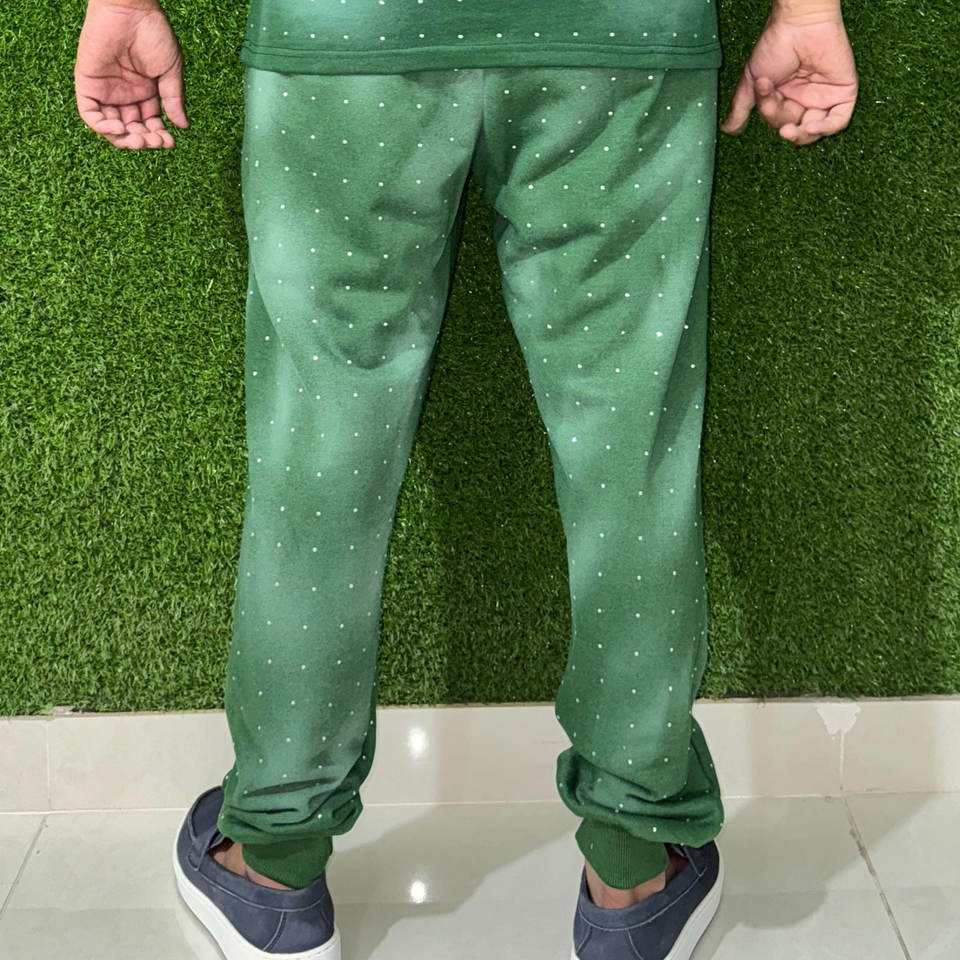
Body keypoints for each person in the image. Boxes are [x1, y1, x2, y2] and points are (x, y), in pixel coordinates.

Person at [75, 1, 858, 958]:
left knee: (319, 441)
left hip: (346, 37)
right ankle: (633, 867)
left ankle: (273, 862)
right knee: (630, 448)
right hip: (617, 35)